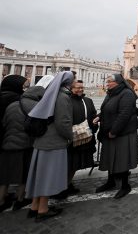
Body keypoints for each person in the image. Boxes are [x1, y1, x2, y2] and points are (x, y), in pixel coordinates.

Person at [25, 71, 74, 222]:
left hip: (42, 141)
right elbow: (63, 122)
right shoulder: (63, 97)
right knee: (48, 175)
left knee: (39, 174)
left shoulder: (50, 93)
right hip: (53, 142)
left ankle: (34, 206)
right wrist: (71, 137)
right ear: (68, 82)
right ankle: (43, 209)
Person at [94, 74, 138, 199]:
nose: (107, 83)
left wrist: (114, 131)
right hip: (110, 131)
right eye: (107, 81)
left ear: (118, 82)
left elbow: (124, 114)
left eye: (109, 81)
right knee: (111, 156)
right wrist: (99, 116)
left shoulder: (127, 94)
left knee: (122, 158)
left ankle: (125, 185)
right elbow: (107, 109)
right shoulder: (111, 93)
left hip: (121, 132)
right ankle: (111, 181)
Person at [54, 80, 97, 199]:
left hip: (84, 138)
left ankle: (66, 185)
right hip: (70, 139)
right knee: (67, 165)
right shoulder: (66, 101)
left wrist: (95, 122)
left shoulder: (88, 101)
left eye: (82, 87)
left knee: (74, 165)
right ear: (70, 89)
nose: (80, 90)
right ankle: (60, 188)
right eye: (77, 88)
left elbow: (93, 115)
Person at [0, 75, 31, 212]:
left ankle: (2, 198)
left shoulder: (3, 97)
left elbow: (5, 122)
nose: (25, 89)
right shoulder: (17, 101)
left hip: (6, 140)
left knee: (4, 172)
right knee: (22, 171)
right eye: (24, 86)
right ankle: (20, 198)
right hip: (21, 141)